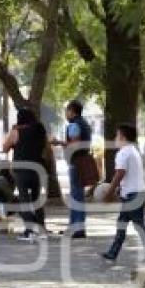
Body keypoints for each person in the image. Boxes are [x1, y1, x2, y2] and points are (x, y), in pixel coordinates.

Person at [101, 124, 145, 264]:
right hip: (136, 193)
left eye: (117, 136)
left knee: (138, 225)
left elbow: (120, 173)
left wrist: (110, 191)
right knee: (122, 224)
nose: (115, 139)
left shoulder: (123, 153)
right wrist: (120, 190)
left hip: (133, 195)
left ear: (122, 137)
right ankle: (113, 252)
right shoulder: (134, 151)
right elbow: (129, 175)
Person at [2, 108, 48, 242]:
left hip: (22, 170)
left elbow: (5, 148)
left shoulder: (17, 132)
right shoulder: (40, 131)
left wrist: (13, 132)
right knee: (36, 200)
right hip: (38, 169)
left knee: (24, 200)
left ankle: (30, 230)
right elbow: (46, 149)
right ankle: (41, 229)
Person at [52, 100, 93, 239]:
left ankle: (77, 228)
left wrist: (58, 142)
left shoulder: (74, 125)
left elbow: (74, 144)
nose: (65, 114)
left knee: (76, 195)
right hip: (82, 160)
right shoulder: (85, 124)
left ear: (72, 111)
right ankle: (76, 226)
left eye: (67, 111)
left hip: (76, 162)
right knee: (78, 194)